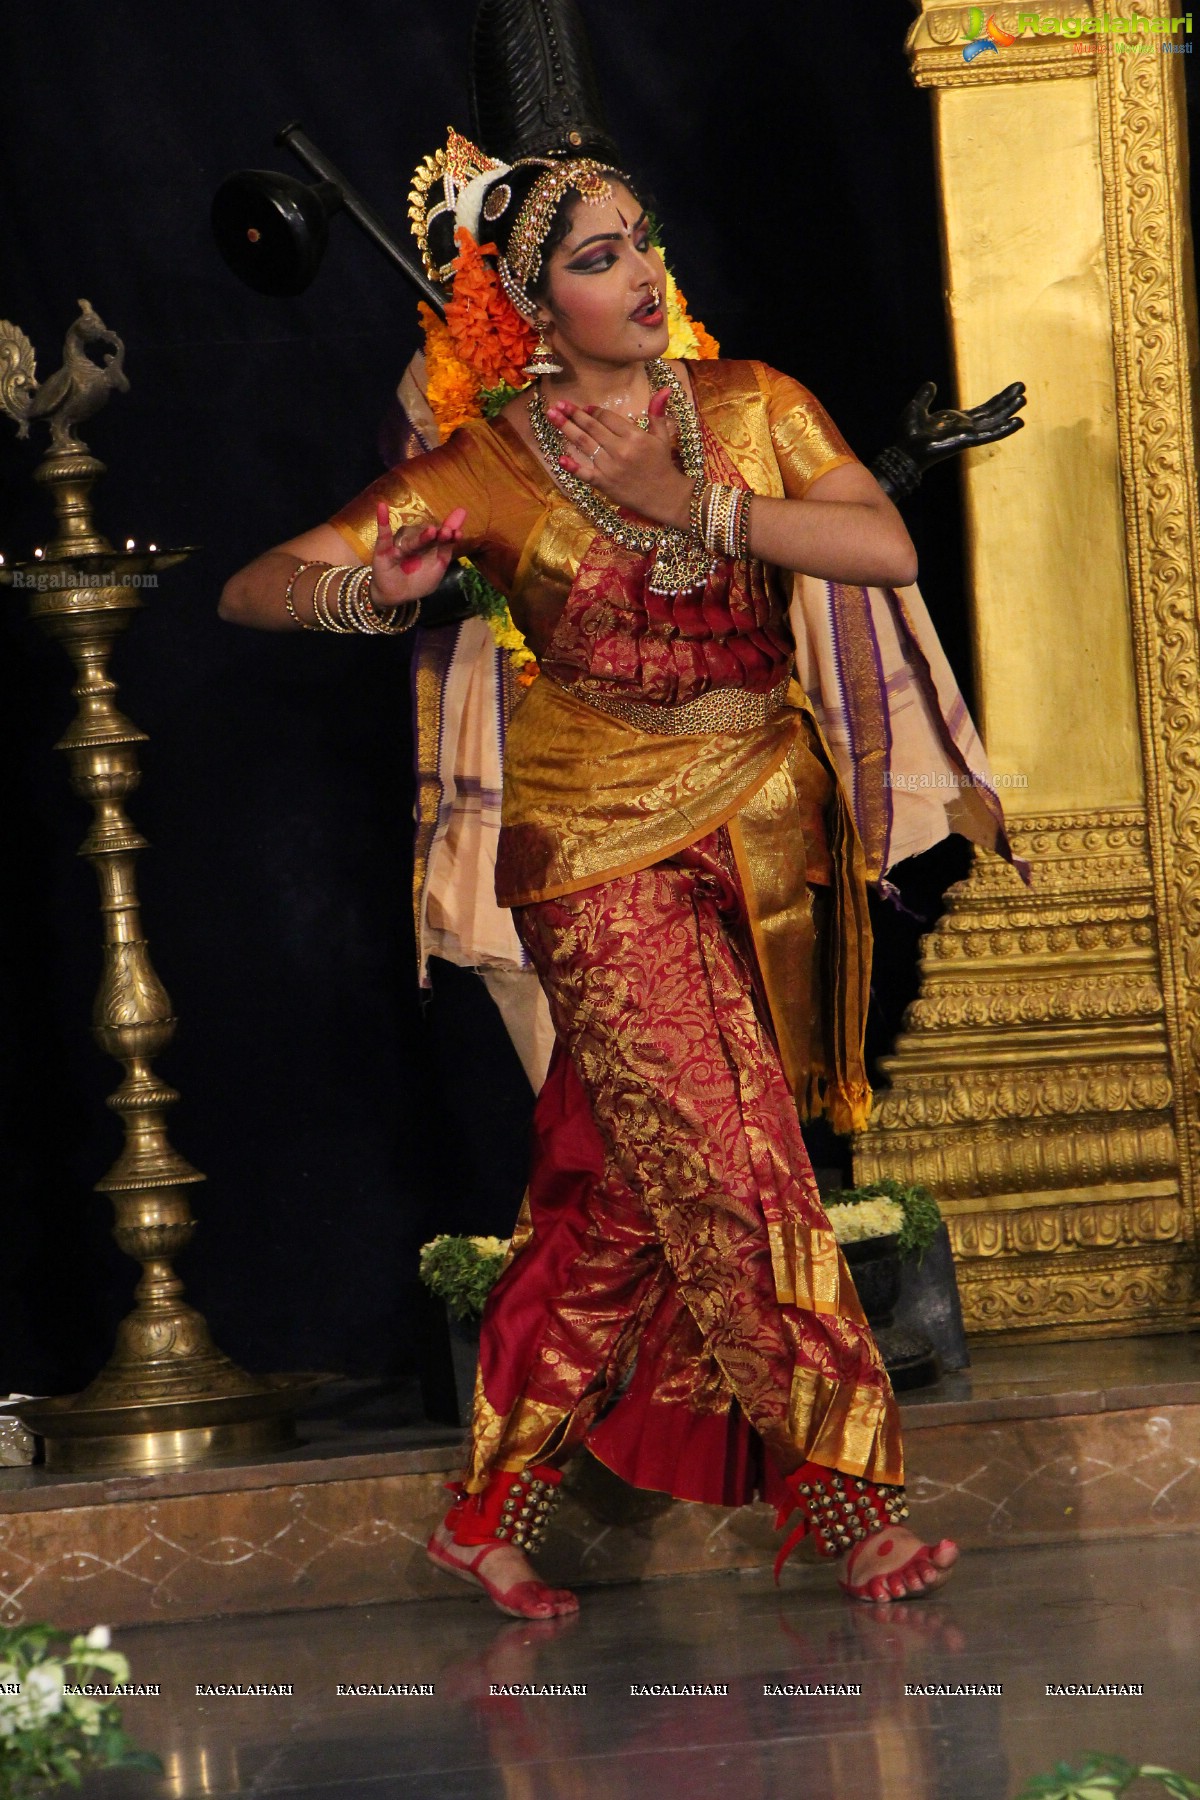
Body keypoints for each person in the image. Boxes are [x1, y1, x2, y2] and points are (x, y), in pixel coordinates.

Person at [221, 144, 992, 1617]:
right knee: (734, 1148)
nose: (641, 274)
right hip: (598, 852)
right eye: (596, 258)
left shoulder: (752, 405)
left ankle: (487, 1505)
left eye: (644, 242)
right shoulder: (488, 460)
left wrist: (695, 503)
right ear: (529, 303)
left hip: (756, 825)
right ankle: (848, 1498)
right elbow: (256, 583)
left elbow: (883, 547)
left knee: (624, 1198)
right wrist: (364, 593)